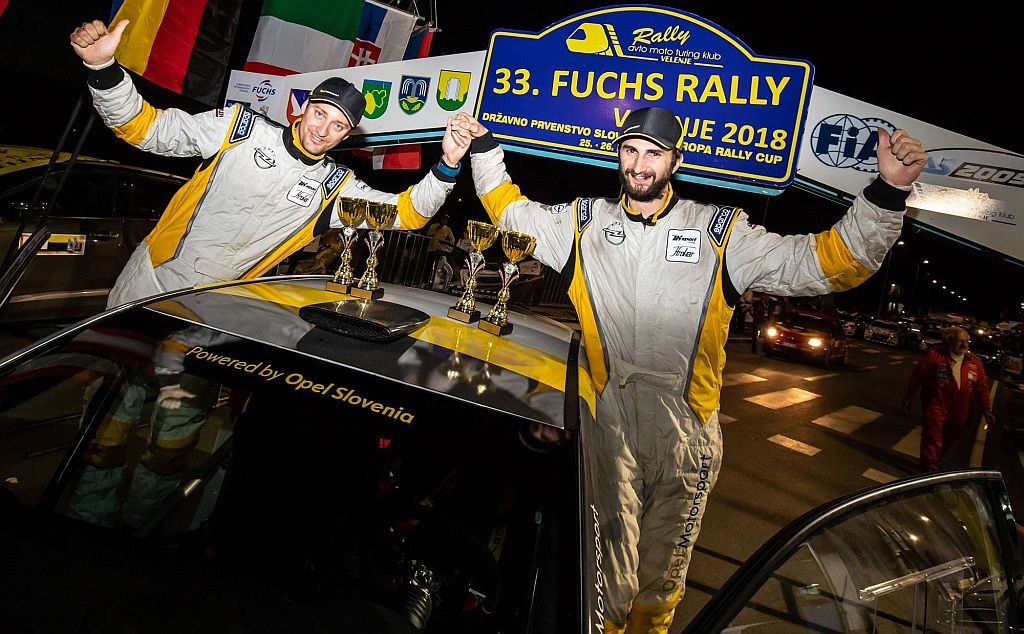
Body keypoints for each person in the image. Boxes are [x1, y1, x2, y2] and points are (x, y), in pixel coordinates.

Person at [453, 107, 927, 633]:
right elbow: (512, 214)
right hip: (609, 426)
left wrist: (887, 193)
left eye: (653, 154)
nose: (639, 165)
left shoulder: (720, 231)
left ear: (674, 162)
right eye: (630, 151)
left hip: (687, 436)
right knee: (606, 585)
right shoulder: (584, 223)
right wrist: (484, 147)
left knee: (659, 584)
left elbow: (821, 262)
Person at [69, 19, 471, 308]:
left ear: (345, 137)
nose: (323, 130)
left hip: (219, 304)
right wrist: (103, 69)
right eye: (320, 114)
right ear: (303, 108)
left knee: (179, 400)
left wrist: (447, 166)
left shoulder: (335, 186)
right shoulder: (239, 128)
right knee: (109, 380)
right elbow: (147, 129)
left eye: (338, 126)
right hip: (152, 279)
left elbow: (406, 214)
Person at [903, 326, 996, 472]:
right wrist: (910, 395)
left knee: (951, 434)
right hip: (936, 403)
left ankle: (934, 459)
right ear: (950, 341)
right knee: (932, 434)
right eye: (960, 341)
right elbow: (918, 375)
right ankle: (930, 466)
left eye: (967, 341)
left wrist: (986, 409)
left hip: (961, 408)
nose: (964, 345)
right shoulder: (934, 355)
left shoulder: (974, 362)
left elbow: (981, 387)